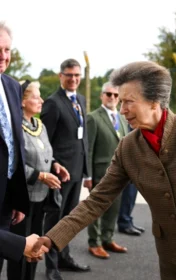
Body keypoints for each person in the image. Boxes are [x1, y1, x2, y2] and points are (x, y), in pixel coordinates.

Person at [33, 61, 176, 280]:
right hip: (172, 257)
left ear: (154, 102)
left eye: (128, 102)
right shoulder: (128, 147)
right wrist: (52, 238)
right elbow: (96, 201)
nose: (122, 108)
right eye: (120, 100)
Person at [6, 80, 70, 280]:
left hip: (41, 197)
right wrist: (40, 175)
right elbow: (13, 163)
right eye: (35, 96)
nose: (41, 100)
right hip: (21, 199)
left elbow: (45, 154)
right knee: (20, 249)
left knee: (36, 246)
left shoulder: (39, 125)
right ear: (22, 101)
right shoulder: (14, 127)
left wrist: (54, 165)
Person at [40, 59, 90, 279]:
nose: (73, 79)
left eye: (77, 75)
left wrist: (87, 171)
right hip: (60, 173)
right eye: (69, 75)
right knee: (55, 219)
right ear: (61, 76)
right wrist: (52, 166)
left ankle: (64, 257)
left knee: (69, 218)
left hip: (77, 171)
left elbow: (83, 138)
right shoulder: (52, 103)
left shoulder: (81, 99)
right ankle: (51, 266)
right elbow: (45, 141)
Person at [0, 21, 41, 273]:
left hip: (5, 201)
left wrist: (17, 196)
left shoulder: (12, 86)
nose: (2, 56)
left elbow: (16, 144)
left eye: (7, 50)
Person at [84, 82, 129, 259]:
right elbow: (88, 149)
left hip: (119, 174)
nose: (112, 98)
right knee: (96, 210)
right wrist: (87, 175)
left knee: (114, 208)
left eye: (116, 95)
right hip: (99, 172)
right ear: (101, 96)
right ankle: (94, 243)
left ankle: (107, 238)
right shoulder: (93, 118)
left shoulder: (123, 118)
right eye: (108, 94)